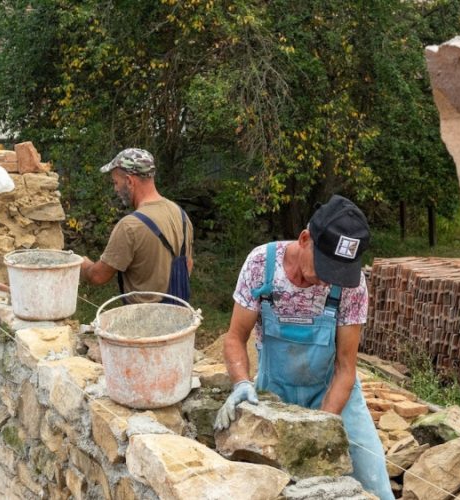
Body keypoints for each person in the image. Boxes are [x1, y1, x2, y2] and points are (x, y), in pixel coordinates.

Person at [213, 194, 394, 500]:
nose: (327, 281)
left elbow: (346, 368)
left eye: (338, 272)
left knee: (374, 484)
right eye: (325, 267)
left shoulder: (352, 287)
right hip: (275, 393)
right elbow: (234, 337)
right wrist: (242, 382)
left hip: (334, 391)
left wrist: (322, 426)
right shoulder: (261, 265)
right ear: (305, 238)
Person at [80, 148, 193, 304]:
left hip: (142, 324)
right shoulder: (181, 214)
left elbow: (98, 276)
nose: (115, 189)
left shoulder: (130, 226)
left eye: (116, 182)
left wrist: (82, 264)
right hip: (181, 321)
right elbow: (188, 265)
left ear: (129, 181)